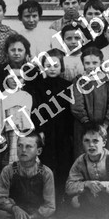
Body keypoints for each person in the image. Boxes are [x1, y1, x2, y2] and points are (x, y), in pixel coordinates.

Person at [0, 132, 60, 219]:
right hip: (14, 215)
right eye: (20, 145)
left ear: (38, 151)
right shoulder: (8, 170)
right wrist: (15, 209)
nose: (23, 150)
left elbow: (50, 206)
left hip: (37, 216)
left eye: (28, 146)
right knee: (0, 216)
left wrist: (32, 217)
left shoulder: (46, 173)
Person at [32, 49, 74, 204]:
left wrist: (70, 132)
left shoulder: (68, 85)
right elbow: (35, 109)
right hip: (46, 131)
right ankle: (46, 198)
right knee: (47, 163)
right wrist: (40, 130)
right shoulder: (38, 86)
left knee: (63, 163)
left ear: (61, 67)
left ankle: (62, 197)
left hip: (63, 130)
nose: (52, 68)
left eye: (56, 65)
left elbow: (71, 110)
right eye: (48, 65)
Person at [71, 46, 109, 157]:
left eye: (95, 63)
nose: (91, 66)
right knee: (84, 155)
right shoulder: (79, 80)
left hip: (104, 127)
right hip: (83, 126)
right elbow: (76, 105)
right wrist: (87, 124)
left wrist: (105, 125)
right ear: (82, 63)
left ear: (101, 62)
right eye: (87, 63)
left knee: (104, 156)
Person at [1, 68, 33, 166]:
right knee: (12, 156)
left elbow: (28, 115)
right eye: (12, 77)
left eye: (19, 77)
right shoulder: (3, 96)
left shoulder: (27, 96)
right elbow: (0, 116)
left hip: (24, 131)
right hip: (10, 132)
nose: (15, 80)